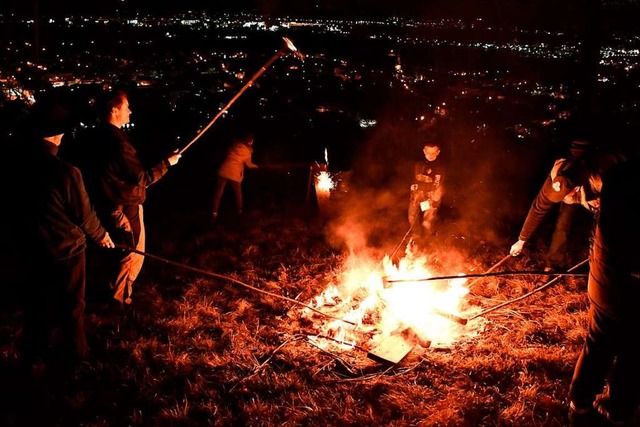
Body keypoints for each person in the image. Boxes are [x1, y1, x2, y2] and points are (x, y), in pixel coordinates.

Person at [7, 94, 115, 370]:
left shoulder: (16, 167)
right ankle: (77, 358)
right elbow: (84, 215)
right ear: (57, 136)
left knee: (36, 305)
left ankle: (34, 355)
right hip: (66, 251)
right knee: (72, 307)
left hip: (30, 248)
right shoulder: (66, 172)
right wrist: (102, 236)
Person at [76, 89, 181, 305]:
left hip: (107, 202)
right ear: (114, 110)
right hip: (124, 206)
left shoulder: (97, 136)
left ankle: (115, 290)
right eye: (126, 107)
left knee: (121, 249)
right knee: (131, 252)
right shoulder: (119, 143)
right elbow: (142, 178)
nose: (130, 111)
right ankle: (119, 300)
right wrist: (167, 164)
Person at [568, 150, 639, 427]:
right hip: (615, 284)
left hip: (608, 282)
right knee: (628, 349)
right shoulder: (622, 180)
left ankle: (592, 406)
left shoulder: (619, 177)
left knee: (616, 347)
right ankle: (599, 408)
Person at [509, 140, 597, 271]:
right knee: (563, 224)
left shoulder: (597, 181)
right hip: (574, 185)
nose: (564, 199)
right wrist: (521, 240)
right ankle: (554, 265)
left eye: (566, 196)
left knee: (601, 234)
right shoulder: (556, 175)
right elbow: (537, 209)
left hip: (597, 193)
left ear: (577, 189)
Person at [211, 132, 259, 221]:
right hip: (234, 174)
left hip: (223, 171)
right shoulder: (248, 152)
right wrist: (256, 166)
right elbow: (248, 164)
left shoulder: (233, 145)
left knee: (218, 193)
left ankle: (214, 213)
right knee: (238, 193)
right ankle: (239, 212)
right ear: (251, 141)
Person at [408, 140, 444, 239]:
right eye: (428, 152)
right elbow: (414, 179)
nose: (430, 155)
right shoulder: (419, 164)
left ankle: (428, 241)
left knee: (427, 221)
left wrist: (419, 186)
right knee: (412, 217)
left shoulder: (439, 167)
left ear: (438, 152)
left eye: (433, 153)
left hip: (431, 198)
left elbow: (435, 186)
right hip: (417, 196)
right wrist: (414, 189)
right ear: (424, 151)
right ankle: (416, 238)